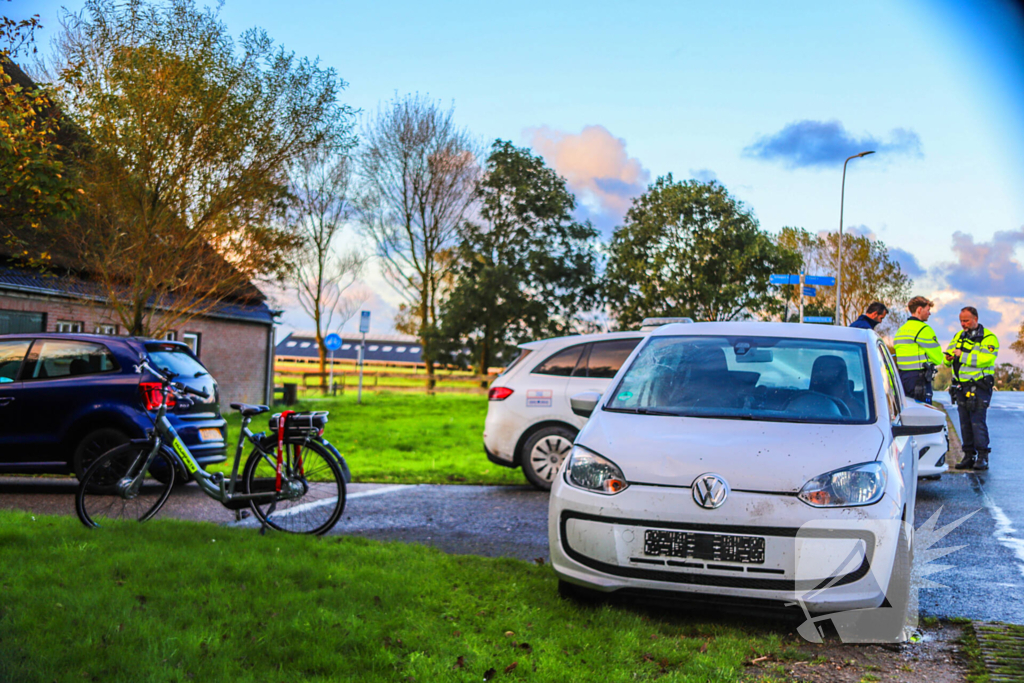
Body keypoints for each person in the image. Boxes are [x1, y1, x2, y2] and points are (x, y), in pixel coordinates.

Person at [945, 306, 999, 470]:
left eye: (966, 320)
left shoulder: (989, 338)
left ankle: (982, 456)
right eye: (961, 320)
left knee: (977, 422)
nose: (963, 324)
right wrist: (948, 357)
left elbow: (985, 360)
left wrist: (962, 355)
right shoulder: (959, 336)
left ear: (975, 319)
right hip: (961, 386)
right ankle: (968, 455)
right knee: (964, 423)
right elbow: (949, 356)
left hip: (979, 386)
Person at [893, 296, 944, 404]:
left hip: (902, 378)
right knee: (923, 415)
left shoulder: (901, 330)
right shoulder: (924, 329)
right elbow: (938, 358)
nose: (929, 313)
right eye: (928, 310)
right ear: (919, 309)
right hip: (919, 380)